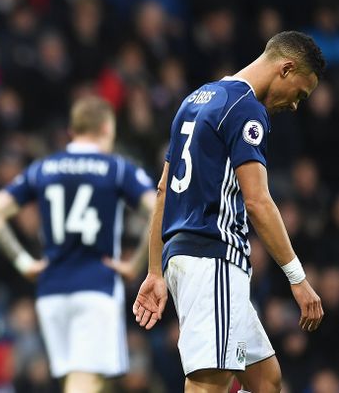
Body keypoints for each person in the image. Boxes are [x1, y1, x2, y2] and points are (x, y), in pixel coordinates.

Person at [133, 31, 326, 393]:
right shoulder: (246, 109)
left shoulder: (196, 99)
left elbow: (163, 190)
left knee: (266, 380)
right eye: (300, 94)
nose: (295, 106)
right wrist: (297, 279)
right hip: (214, 259)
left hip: (185, 258)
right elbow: (257, 201)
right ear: (286, 68)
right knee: (209, 385)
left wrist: (155, 271)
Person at [0, 96, 157, 393]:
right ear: (106, 128)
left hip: (51, 292)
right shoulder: (115, 168)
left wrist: (24, 263)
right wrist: (136, 264)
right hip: (95, 287)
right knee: (86, 379)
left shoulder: (43, 168)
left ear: (72, 131)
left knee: (86, 379)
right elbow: (157, 210)